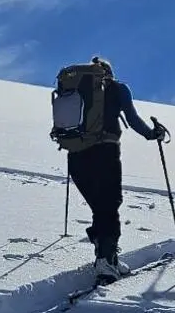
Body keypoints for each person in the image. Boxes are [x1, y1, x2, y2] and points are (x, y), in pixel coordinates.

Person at [62, 57, 168, 281]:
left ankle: (106, 254)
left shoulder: (76, 87)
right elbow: (132, 117)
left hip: (76, 154)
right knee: (109, 204)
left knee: (99, 207)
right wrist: (152, 133)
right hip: (106, 151)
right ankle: (105, 260)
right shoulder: (119, 88)